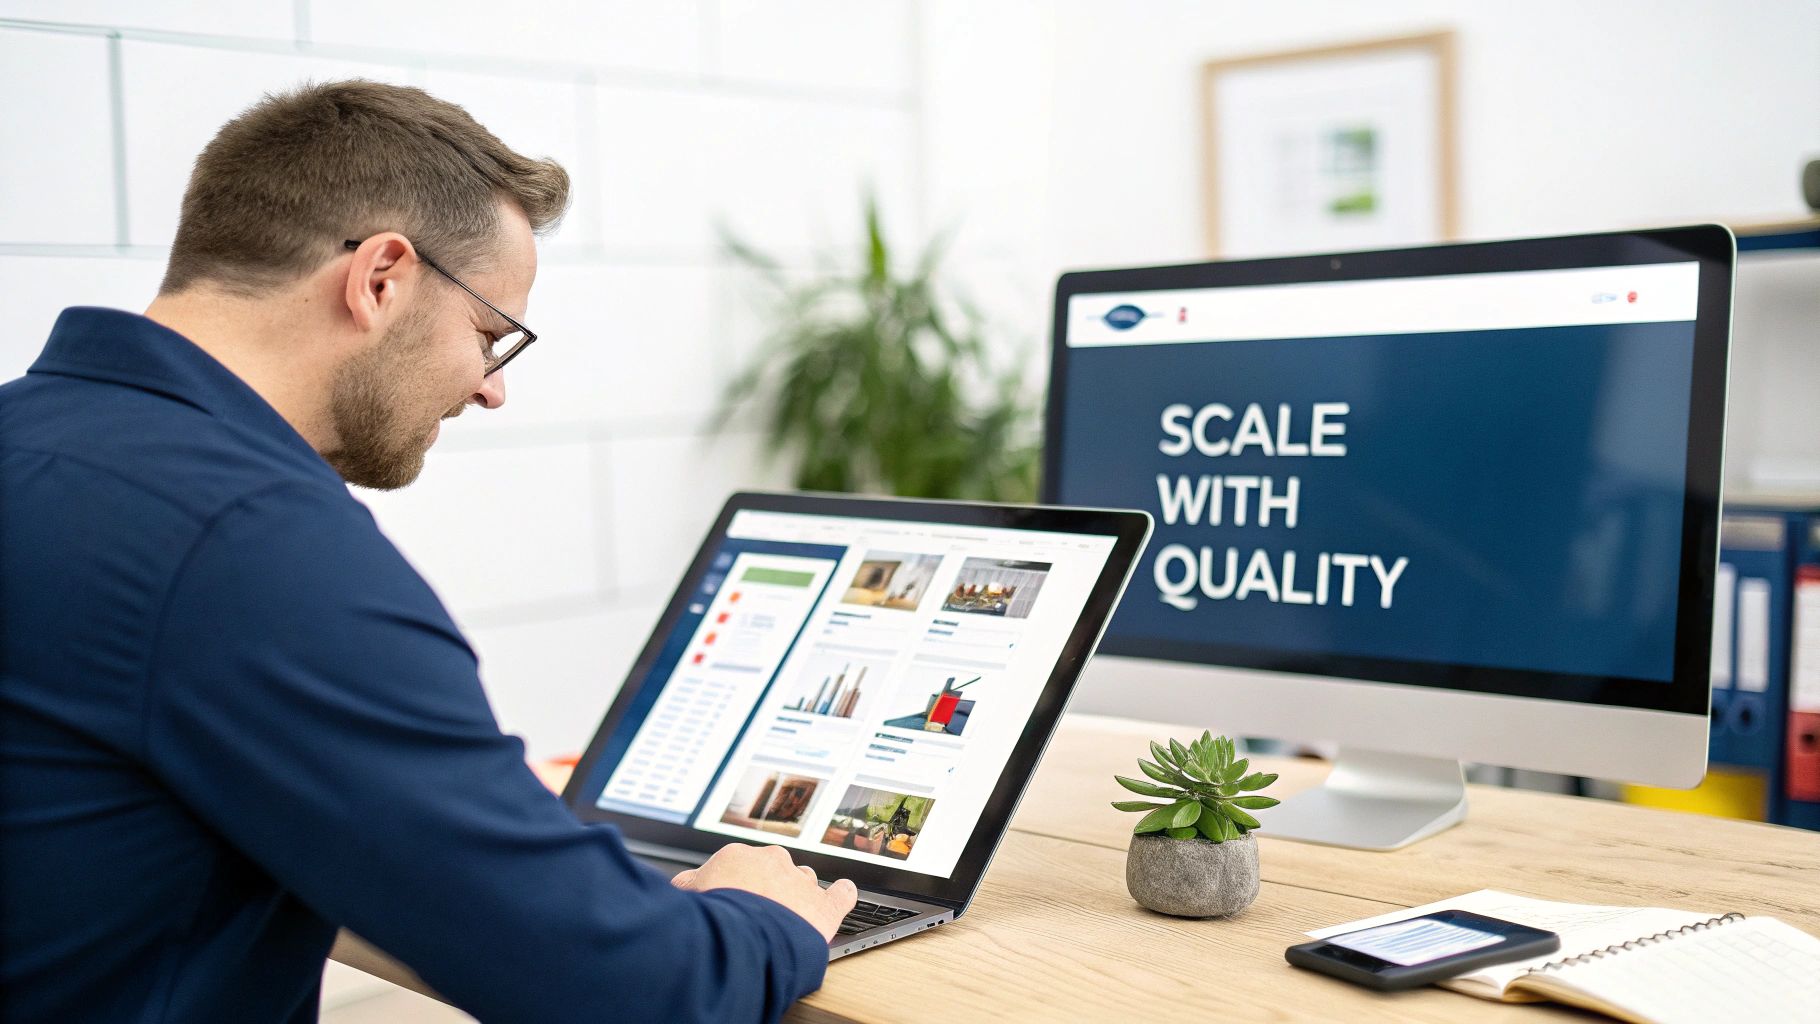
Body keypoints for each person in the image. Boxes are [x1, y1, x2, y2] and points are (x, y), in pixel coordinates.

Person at [0, 79, 856, 1023]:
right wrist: (762, 916)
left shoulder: (28, 441)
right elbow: (630, 989)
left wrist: (465, 812)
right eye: (492, 336)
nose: (489, 390)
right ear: (381, 279)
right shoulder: (249, 543)